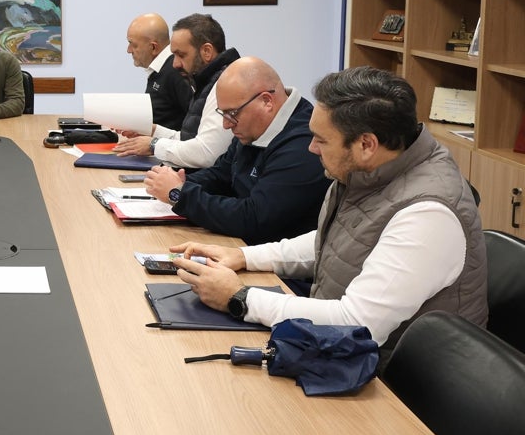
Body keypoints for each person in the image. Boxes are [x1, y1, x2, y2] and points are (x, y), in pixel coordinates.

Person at [169, 66, 487, 363]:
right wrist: (244, 256)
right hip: (339, 354)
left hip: (400, 388)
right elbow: (334, 239)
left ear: (366, 144)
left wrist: (239, 297)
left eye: (321, 140)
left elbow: (356, 324)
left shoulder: (428, 214)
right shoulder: (368, 170)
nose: (311, 149)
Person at [143, 57, 331, 244]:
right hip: (240, 247)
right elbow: (221, 175)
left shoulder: (303, 145)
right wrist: (179, 182)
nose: (226, 124)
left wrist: (180, 195)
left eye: (232, 114)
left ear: (267, 101)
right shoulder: (253, 127)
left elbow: (254, 218)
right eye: (223, 114)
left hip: (274, 267)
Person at [114, 12, 239, 168]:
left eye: (181, 55)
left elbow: (206, 154)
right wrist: (153, 131)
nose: (175, 64)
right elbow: (189, 139)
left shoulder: (226, 84)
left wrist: (154, 145)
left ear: (207, 51)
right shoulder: (205, 81)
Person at [124, 12, 192, 130]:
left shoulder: (176, 72)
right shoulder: (159, 70)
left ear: (153, 47)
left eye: (133, 44)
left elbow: (194, 125)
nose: (128, 50)